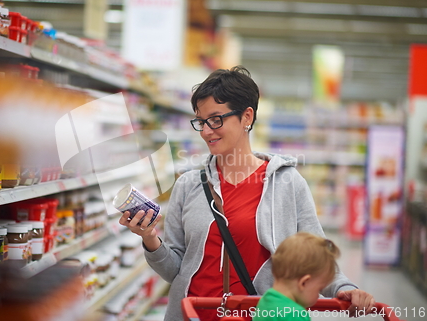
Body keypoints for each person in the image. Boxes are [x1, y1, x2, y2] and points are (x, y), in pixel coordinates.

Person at [119, 66, 375, 321]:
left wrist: (345, 288)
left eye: (216, 120)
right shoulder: (188, 185)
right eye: (200, 122)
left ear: (247, 117)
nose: (207, 131)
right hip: (192, 316)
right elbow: (175, 269)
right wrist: (149, 237)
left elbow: (317, 256)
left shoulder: (286, 183)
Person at [252, 232, 341, 321]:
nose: (318, 296)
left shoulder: (265, 300)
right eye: (319, 289)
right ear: (304, 283)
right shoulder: (295, 314)